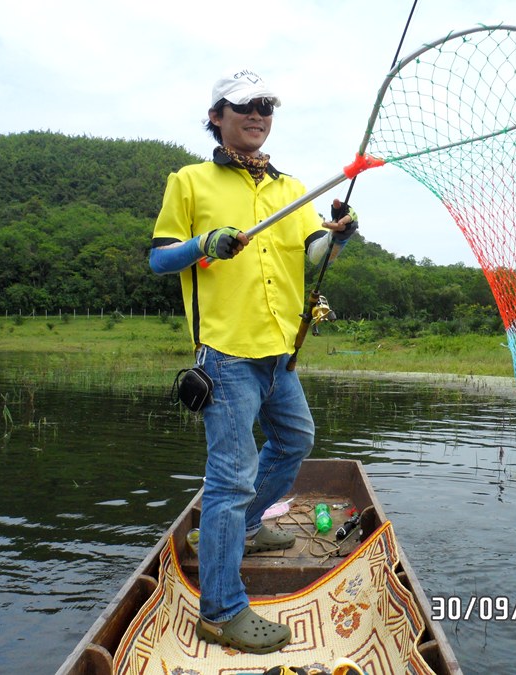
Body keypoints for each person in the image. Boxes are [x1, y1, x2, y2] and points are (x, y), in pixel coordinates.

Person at [149, 68, 358, 654]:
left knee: (295, 439)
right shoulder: (189, 181)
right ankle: (219, 611)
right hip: (227, 355)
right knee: (230, 478)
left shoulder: (293, 189)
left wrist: (337, 236)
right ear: (216, 115)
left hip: (280, 352)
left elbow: (312, 252)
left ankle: (237, 529)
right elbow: (160, 261)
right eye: (243, 106)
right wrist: (204, 244)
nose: (257, 115)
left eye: (265, 106)